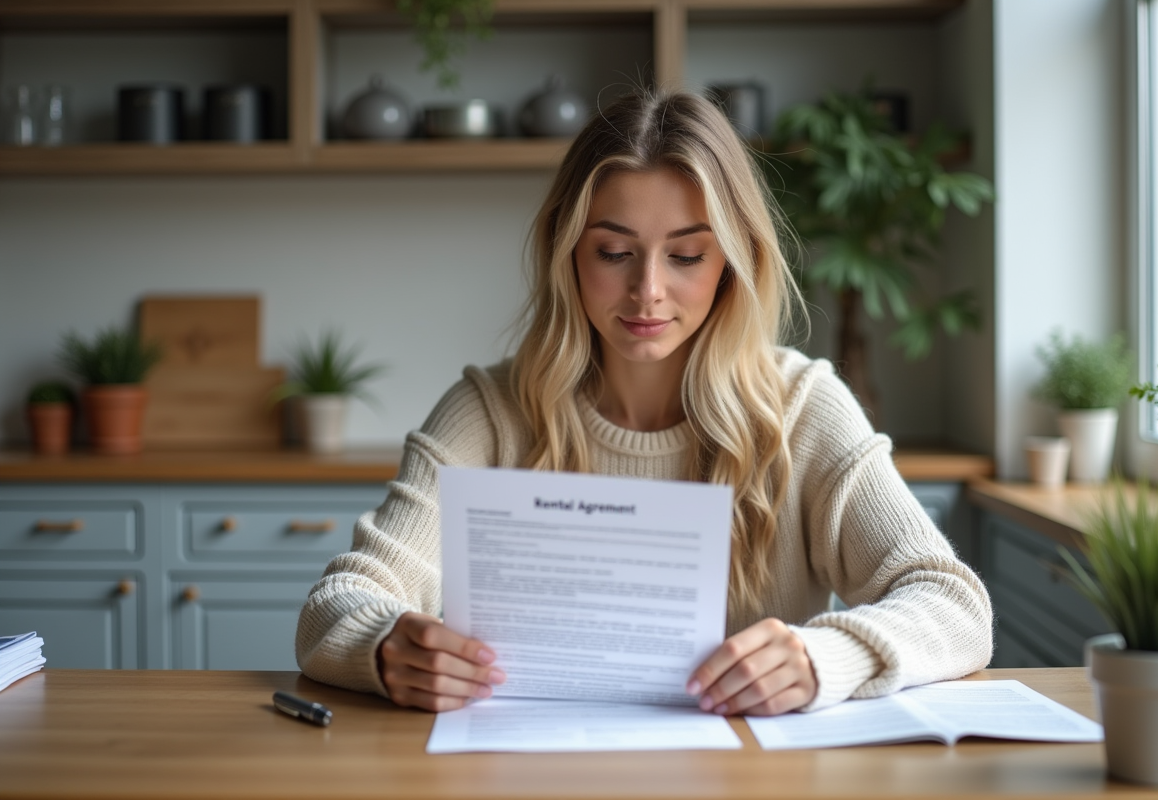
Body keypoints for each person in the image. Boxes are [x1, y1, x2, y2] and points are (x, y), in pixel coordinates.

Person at [296, 88, 993, 717]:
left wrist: (823, 660)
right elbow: (335, 605)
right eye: (612, 252)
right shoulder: (489, 412)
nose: (648, 292)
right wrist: (386, 645)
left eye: (686, 256)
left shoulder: (803, 408)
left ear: (733, 262)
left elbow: (955, 605)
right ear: (568, 253)